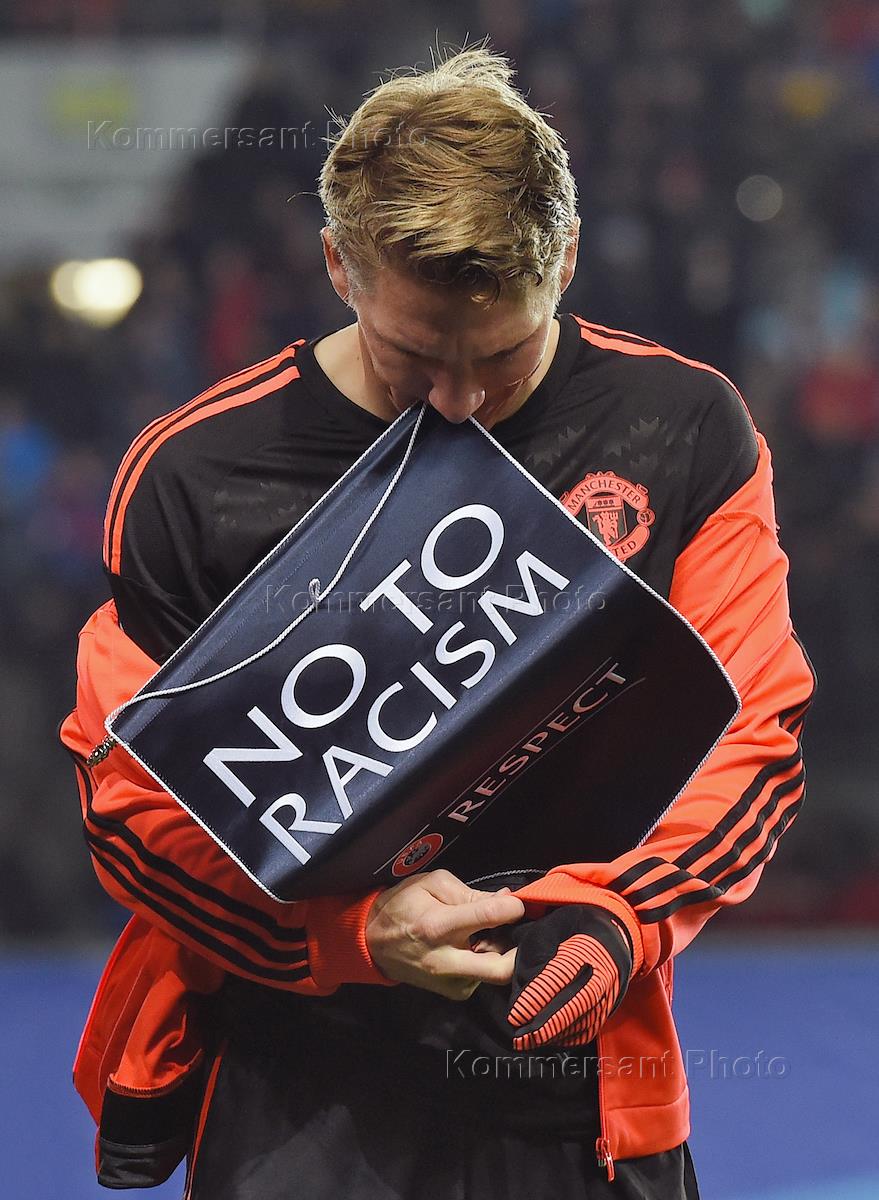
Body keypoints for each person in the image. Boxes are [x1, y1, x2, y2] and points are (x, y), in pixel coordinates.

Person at [61, 47, 815, 1199]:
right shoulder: (194, 474)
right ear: (339, 266)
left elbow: (755, 729)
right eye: (414, 358)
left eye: (503, 357)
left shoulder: (683, 427)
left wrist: (623, 917)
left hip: (578, 1065)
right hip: (294, 1082)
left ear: (565, 258)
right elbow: (128, 804)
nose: (460, 402)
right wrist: (352, 933)